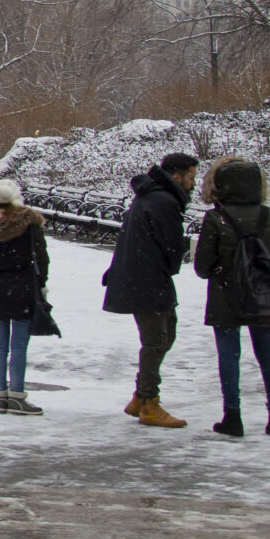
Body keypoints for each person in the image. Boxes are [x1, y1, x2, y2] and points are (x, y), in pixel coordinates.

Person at [194, 156, 270, 438]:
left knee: (229, 355)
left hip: (226, 295)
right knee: (269, 355)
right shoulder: (269, 216)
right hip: (264, 294)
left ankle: (233, 416)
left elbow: (202, 267)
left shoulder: (216, 218)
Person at [102, 152, 199, 428]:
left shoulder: (151, 196)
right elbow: (171, 245)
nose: (193, 183)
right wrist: (170, 265)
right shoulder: (163, 201)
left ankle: (141, 396)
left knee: (165, 334)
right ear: (176, 176)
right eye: (191, 177)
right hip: (147, 279)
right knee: (157, 340)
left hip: (141, 276)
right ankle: (149, 403)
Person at [0, 178, 51, 416]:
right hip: (23, 286)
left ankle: (0, 396)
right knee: (18, 346)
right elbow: (42, 257)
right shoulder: (29, 221)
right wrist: (42, 284)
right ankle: (17, 395)